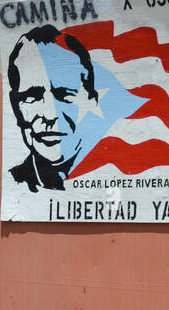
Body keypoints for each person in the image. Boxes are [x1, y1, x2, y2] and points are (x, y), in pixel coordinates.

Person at [6, 24, 101, 192]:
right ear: (16, 107)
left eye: (64, 95)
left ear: (92, 100)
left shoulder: (106, 173)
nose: (49, 114)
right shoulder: (14, 180)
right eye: (32, 97)